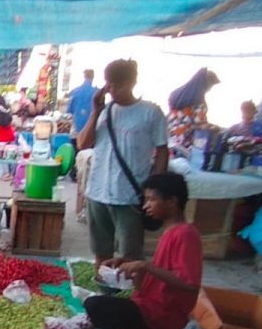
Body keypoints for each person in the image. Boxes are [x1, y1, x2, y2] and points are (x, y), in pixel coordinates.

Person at [84, 172, 202, 329]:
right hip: (149, 304)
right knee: (96, 306)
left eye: (152, 200)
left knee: (95, 305)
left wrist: (144, 266)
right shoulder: (170, 232)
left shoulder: (186, 234)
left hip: (164, 313)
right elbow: (162, 272)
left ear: (172, 201)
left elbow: (189, 283)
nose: (146, 206)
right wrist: (126, 262)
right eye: (146, 200)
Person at [77, 59, 168, 265]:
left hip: (129, 198)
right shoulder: (104, 111)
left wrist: (154, 189)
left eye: (119, 86)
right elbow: (83, 143)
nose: (113, 91)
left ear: (132, 83)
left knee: (129, 257)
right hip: (98, 194)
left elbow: (162, 151)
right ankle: (102, 285)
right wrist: (95, 111)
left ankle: (129, 288)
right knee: (101, 252)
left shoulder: (150, 112)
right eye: (109, 86)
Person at [167, 68, 220, 150]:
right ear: (205, 83)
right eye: (210, 86)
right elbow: (201, 124)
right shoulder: (199, 102)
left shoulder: (176, 95)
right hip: (186, 141)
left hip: (171, 138)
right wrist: (215, 128)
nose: (209, 89)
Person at [67, 69, 97, 181]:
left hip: (76, 128)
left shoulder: (75, 92)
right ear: (93, 77)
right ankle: (86, 174)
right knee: (90, 154)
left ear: (84, 76)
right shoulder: (97, 92)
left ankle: (74, 173)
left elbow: (70, 110)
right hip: (91, 129)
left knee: (75, 151)